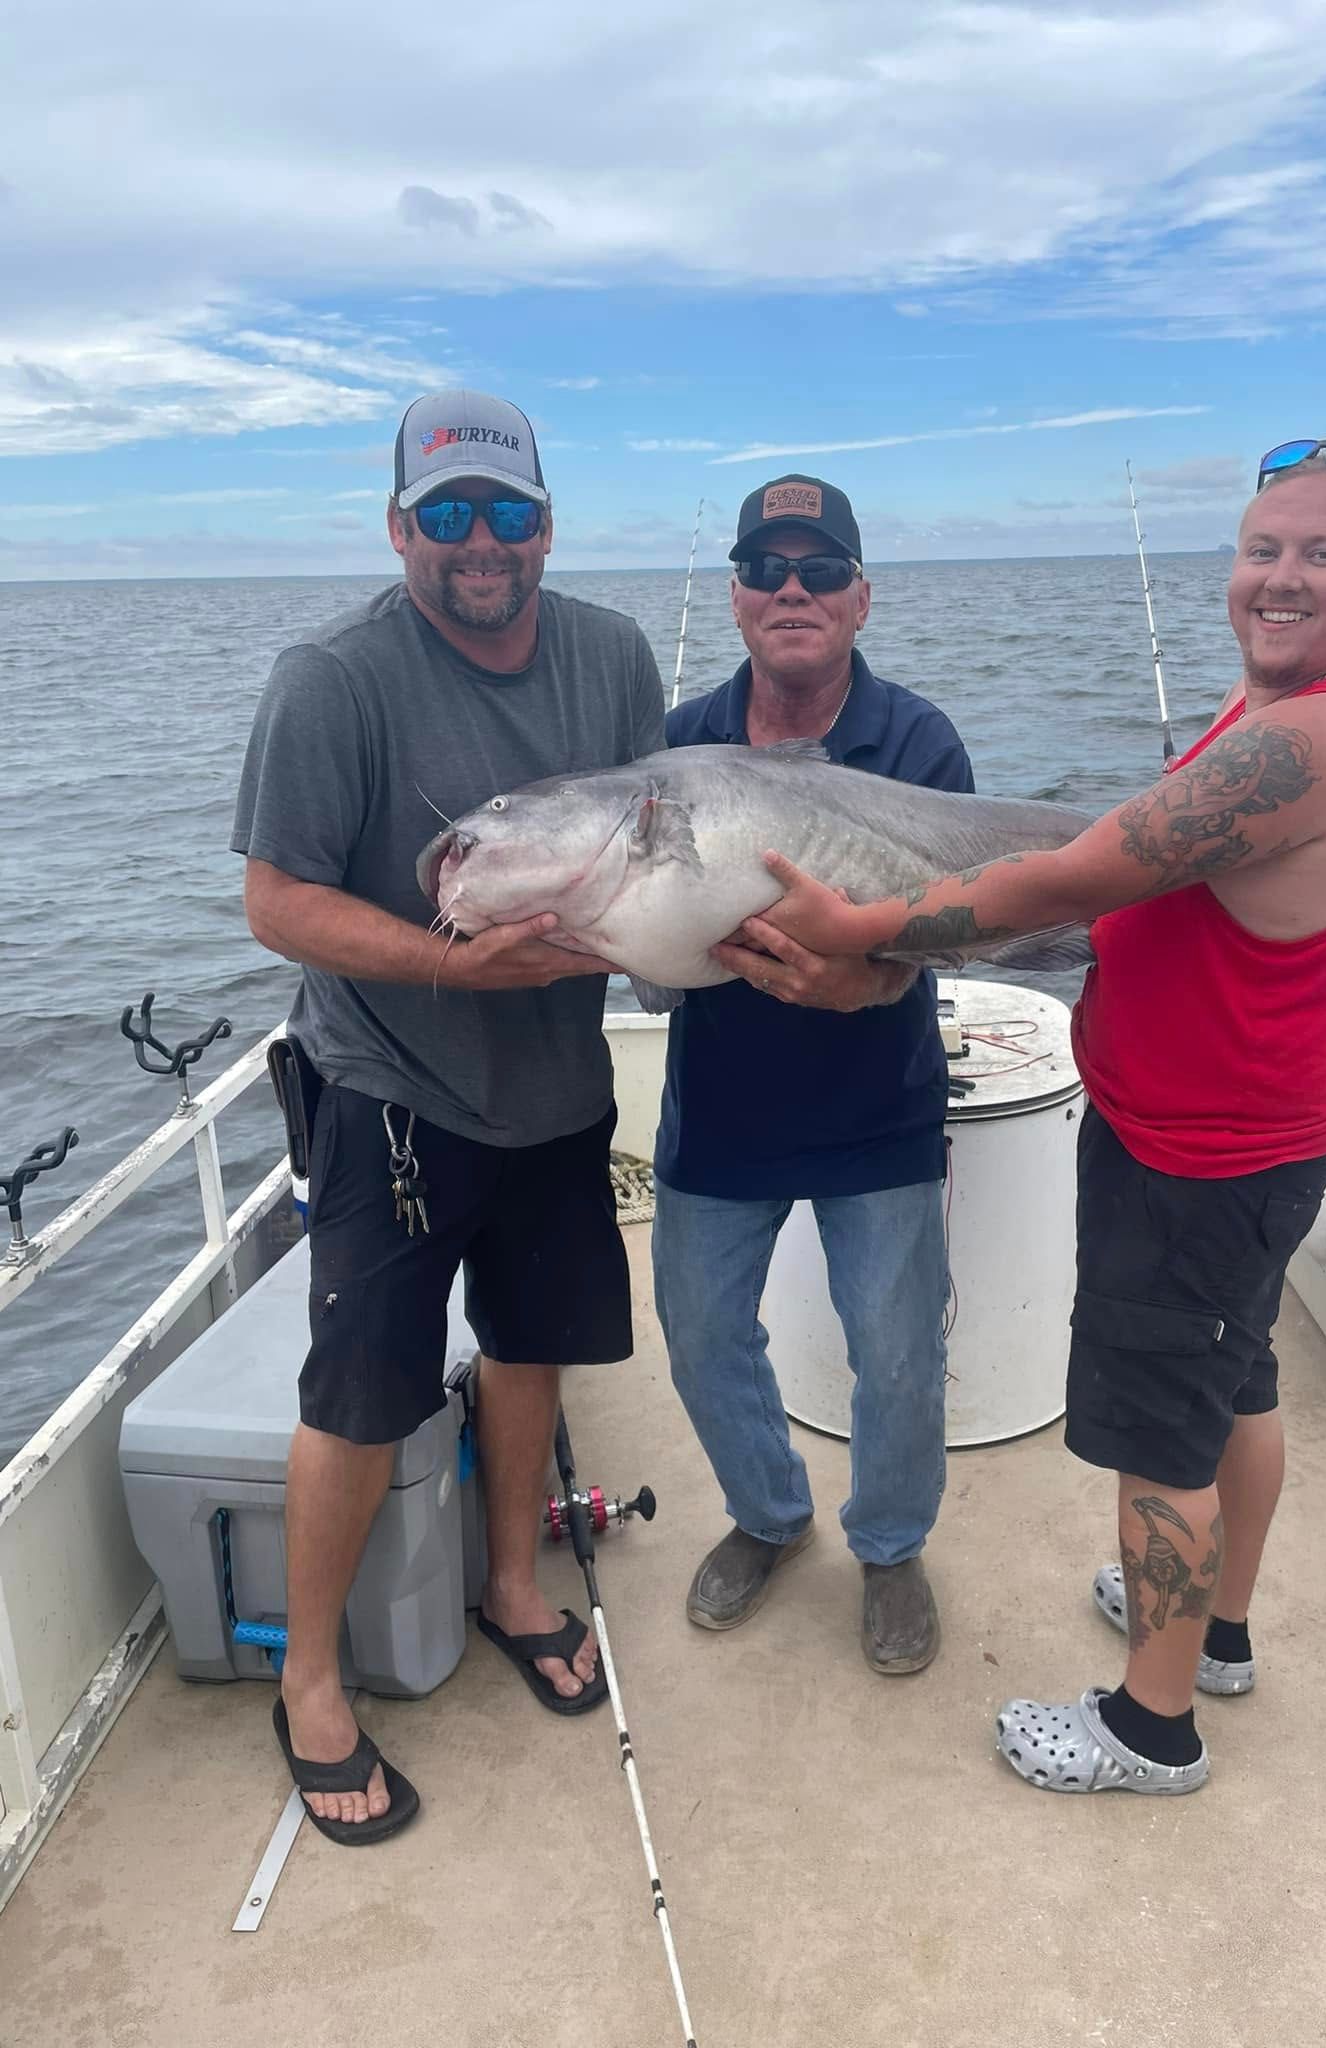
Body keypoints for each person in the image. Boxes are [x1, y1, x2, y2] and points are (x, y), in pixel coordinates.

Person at [756, 439, 1326, 1787]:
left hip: (1203, 1153)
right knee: (1232, 1383)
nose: (1280, 575)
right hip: (1258, 1132)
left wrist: (857, 925)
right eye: (1263, 548)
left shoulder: (1310, 734)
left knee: (1161, 1436)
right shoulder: (1321, 703)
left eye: (1322, 554)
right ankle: (1219, 1632)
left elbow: (1071, 879)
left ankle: (1153, 1727)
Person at [232, 389, 665, 1841]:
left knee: (534, 1342)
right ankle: (309, 1681)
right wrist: (448, 964)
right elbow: (277, 901)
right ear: (399, 526)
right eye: (449, 516)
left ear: (548, 520)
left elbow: (658, 843)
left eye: (510, 513)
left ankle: (511, 1585)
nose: (482, 545)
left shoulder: (611, 654)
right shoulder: (335, 677)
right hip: (387, 1093)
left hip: (555, 1087)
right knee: (361, 1390)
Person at [653, 474, 973, 1675]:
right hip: (720, 1110)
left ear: (860, 597)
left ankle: (890, 1546)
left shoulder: (920, 739)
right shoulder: (684, 744)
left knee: (895, 1353)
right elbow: (650, 943)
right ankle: (767, 1513)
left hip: (876, 1109)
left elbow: (965, 913)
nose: (794, 589)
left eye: (821, 569)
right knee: (696, 1334)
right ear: (735, 596)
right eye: (769, 568)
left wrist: (870, 980)